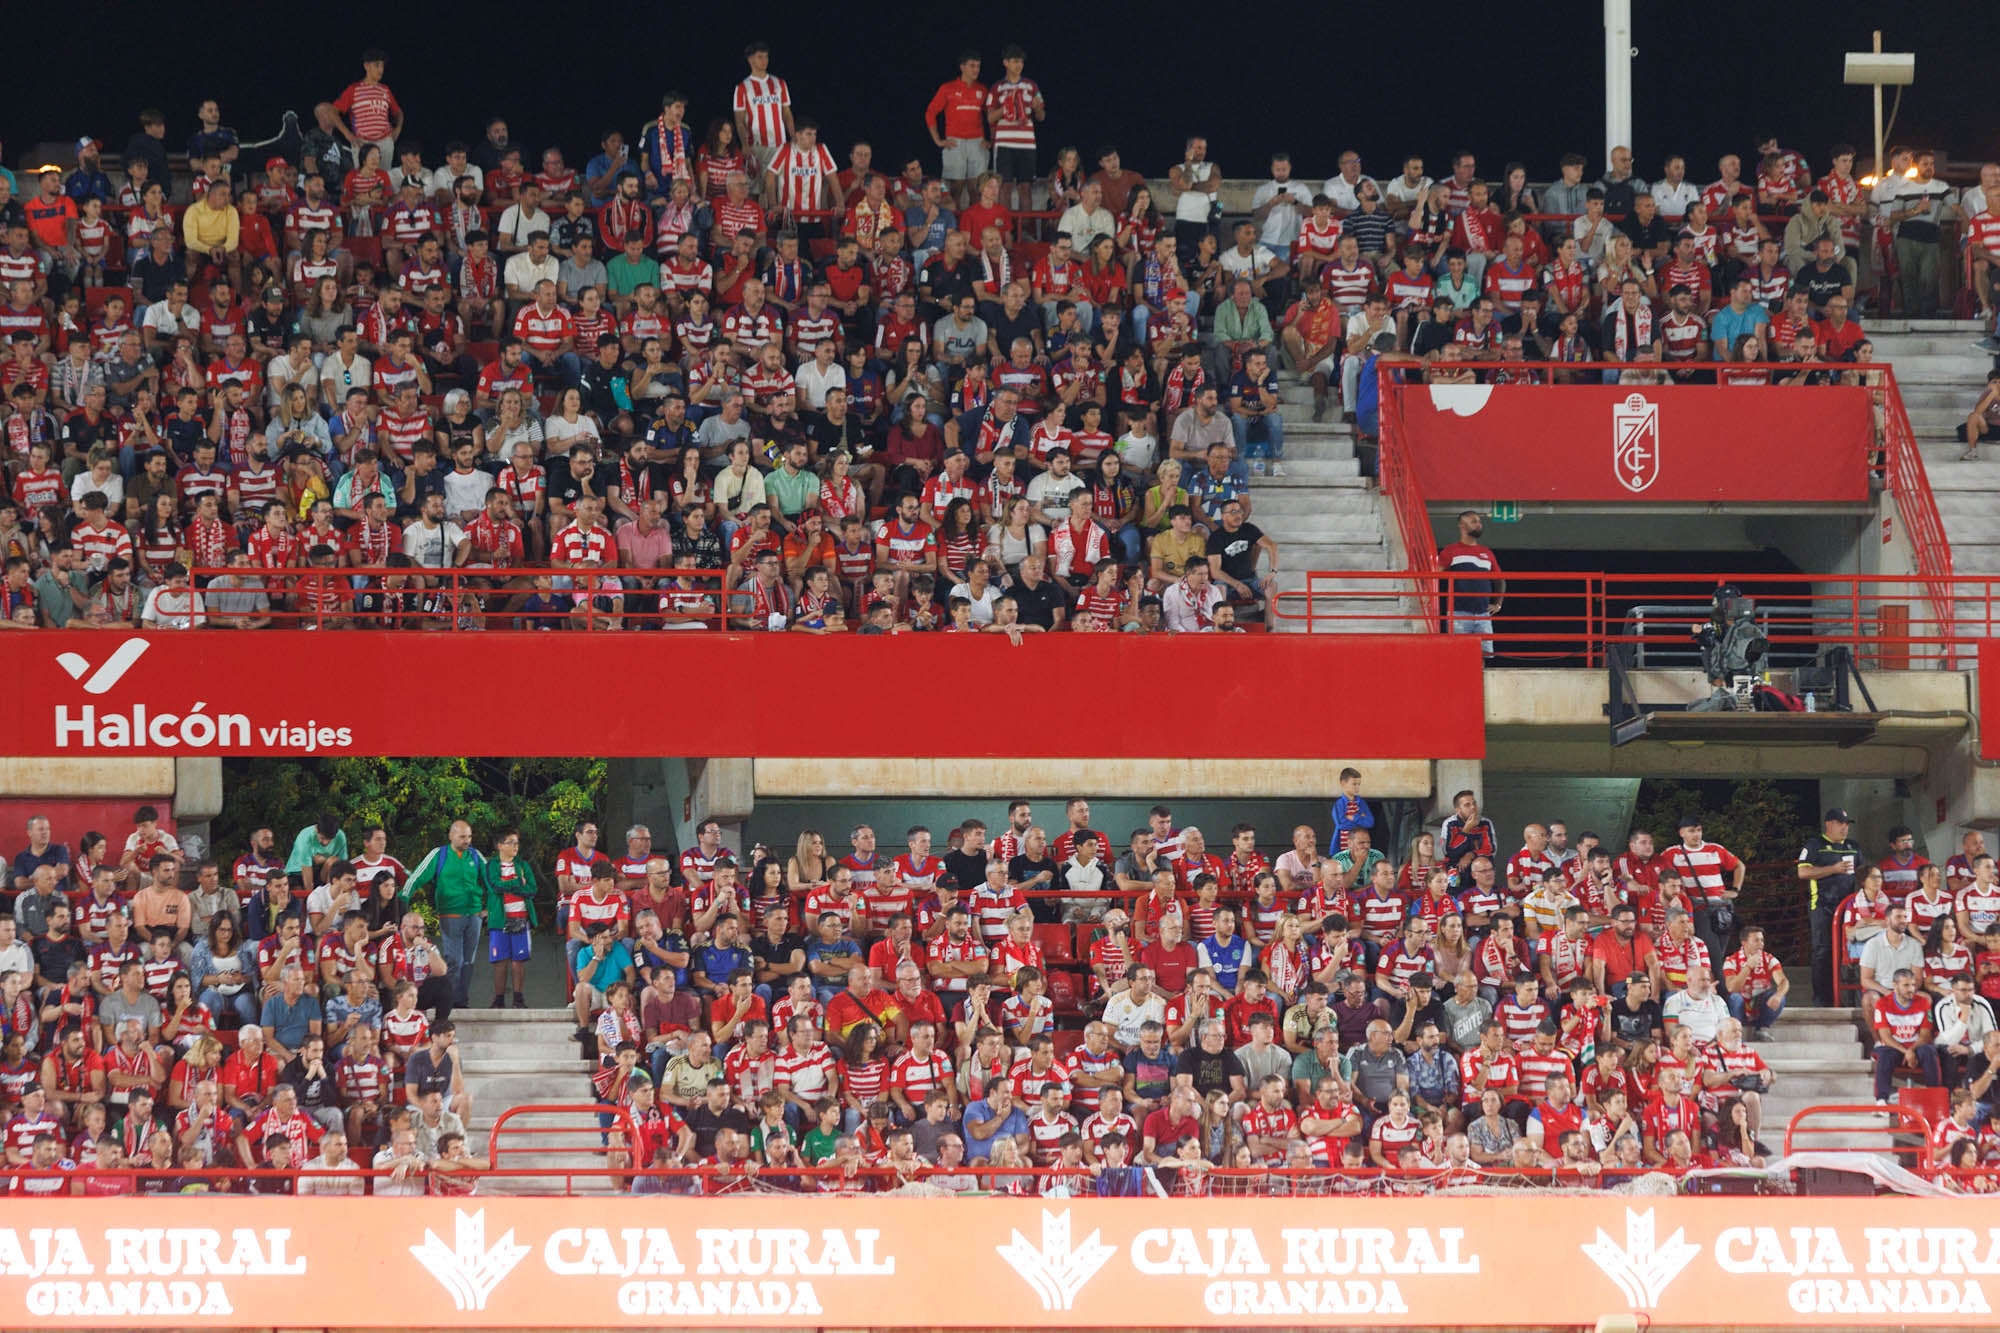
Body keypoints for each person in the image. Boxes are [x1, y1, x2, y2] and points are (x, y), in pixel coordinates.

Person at [1797, 808, 1860, 1006]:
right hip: (1822, 906)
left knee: (1851, 951)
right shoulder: (1815, 845)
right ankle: (1822, 1000)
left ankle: (1848, 998)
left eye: (1847, 824)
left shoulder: (1853, 846)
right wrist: (1833, 869)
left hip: (1849, 909)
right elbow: (1803, 873)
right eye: (1841, 823)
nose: (1845, 828)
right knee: (1823, 952)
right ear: (1829, 824)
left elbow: (1862, 873)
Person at [1437, 509, 1501, 654]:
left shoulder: (1487, 552)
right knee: (1458, 655)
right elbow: (1434, 574)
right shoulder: (1451, 550)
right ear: (1462, 525)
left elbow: (1499, 579)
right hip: (1459, 614)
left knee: (1483, 656)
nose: (1479, 524)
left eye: (1479, 521)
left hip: (1483, 614)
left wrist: (1498, 603)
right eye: (1473, 521)